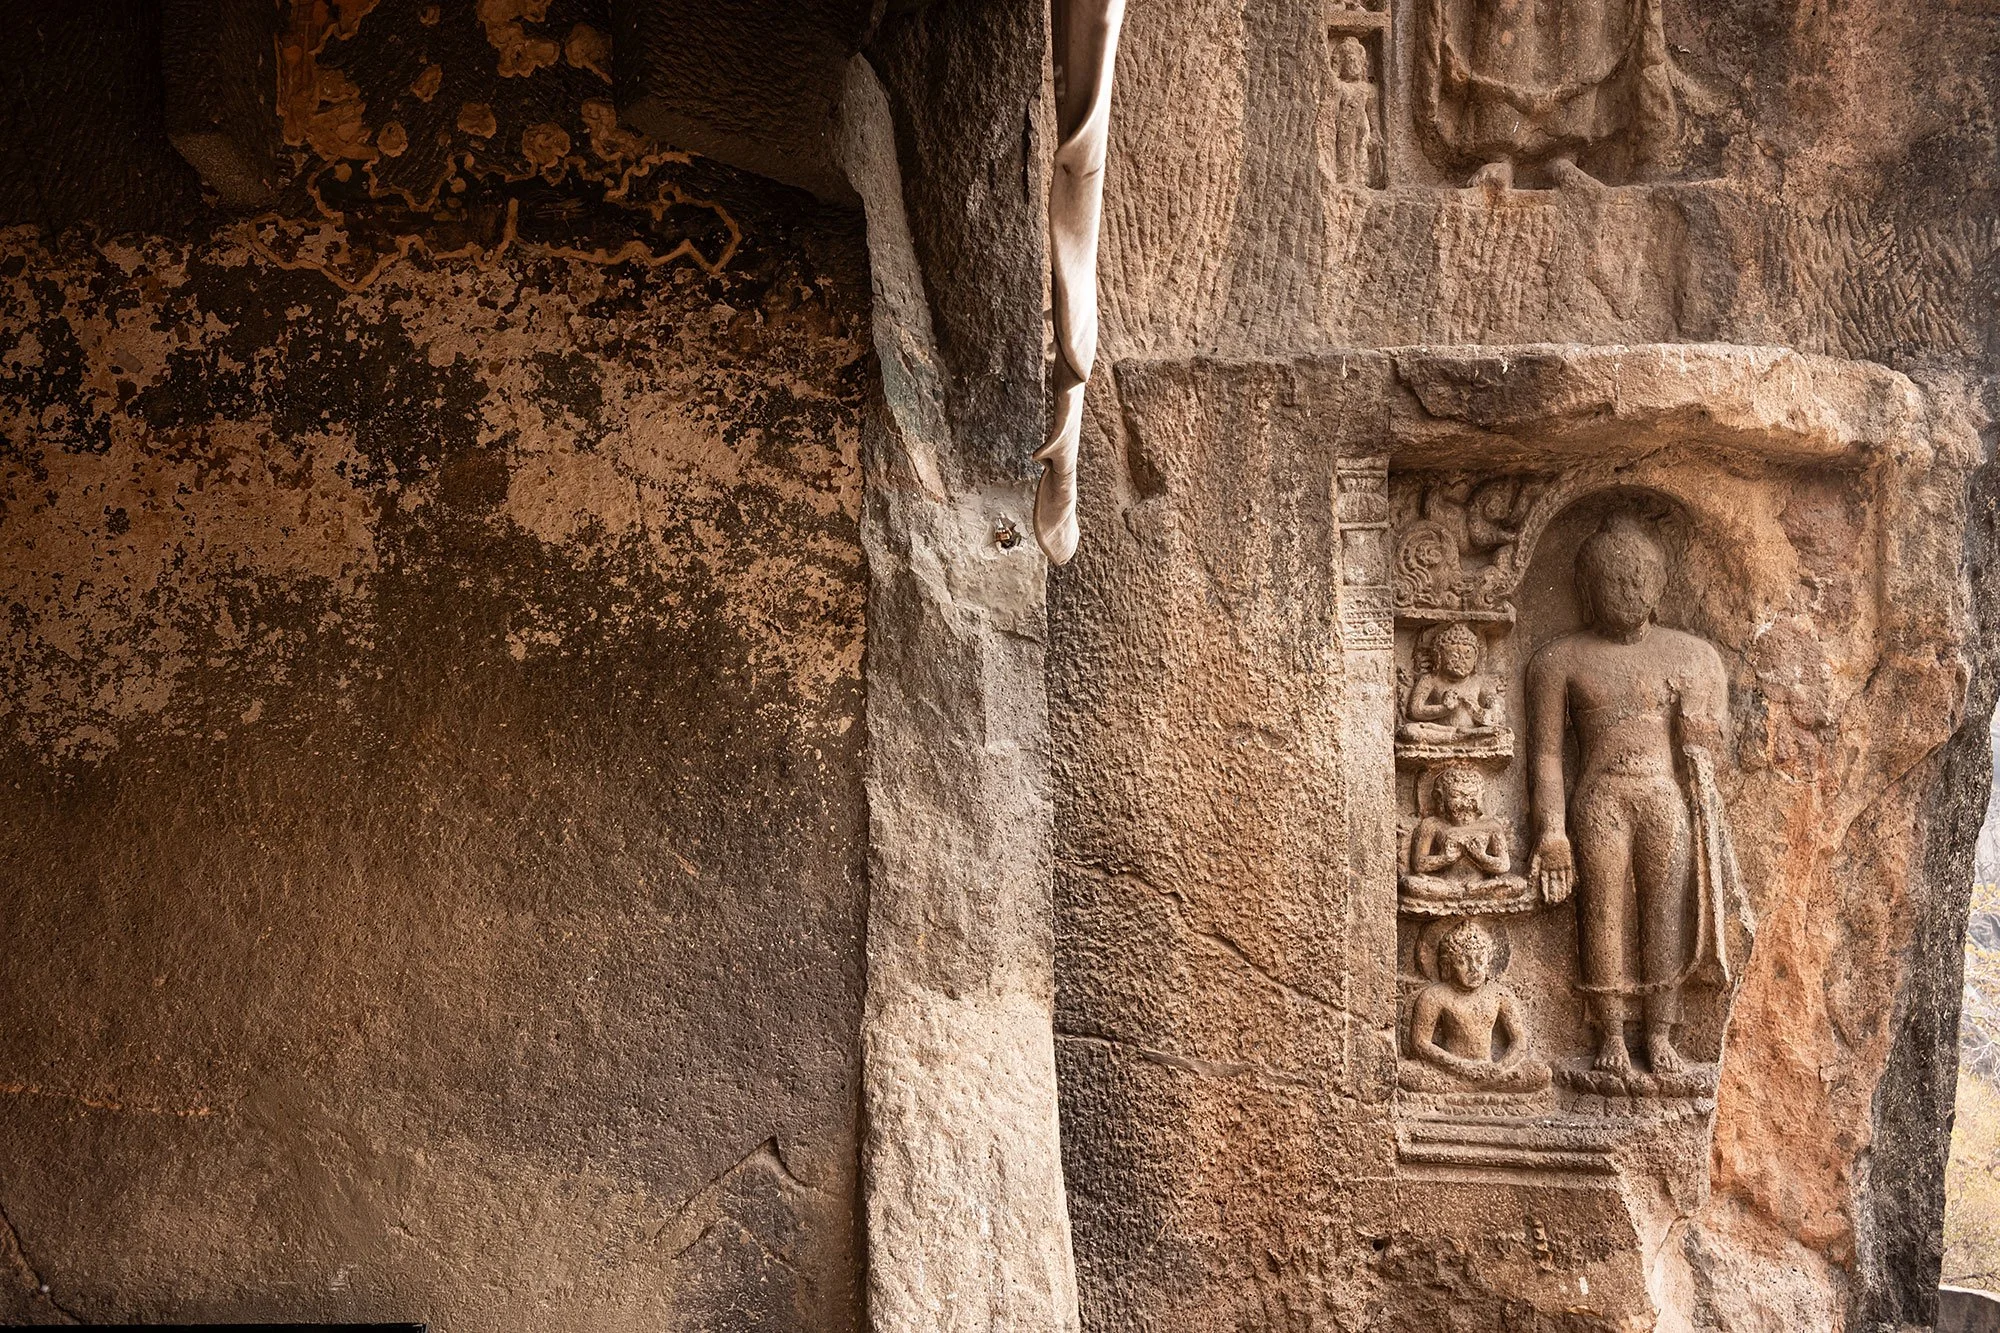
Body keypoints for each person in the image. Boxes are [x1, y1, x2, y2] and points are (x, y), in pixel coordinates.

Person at [1525, 513, 1728, 1077]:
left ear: (1659, 587)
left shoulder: (1692, 657)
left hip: (1664, 798)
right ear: (1587, 589)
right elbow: (1545, 755)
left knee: (1664, 913)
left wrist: (1698, 730)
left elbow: (1707, 751)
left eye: (1638, 581)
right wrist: (1552, 833)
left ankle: (1661, 1032)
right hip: (1601, 800)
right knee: (1603, 912)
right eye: (1613, 582)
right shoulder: (1559, 660)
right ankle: (1610, 1033)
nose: (1627, 593)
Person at [1404, 919, 1550, 1091]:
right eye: (1463, 961)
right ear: (1447, 965)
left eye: (1480, 961)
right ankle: (1478, 1090)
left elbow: (1519, 1041)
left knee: (1541, 1074)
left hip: (1491, 1071)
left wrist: (1500, 1067)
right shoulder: (1434, 996)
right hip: (1451, 1071)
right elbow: (1420, 1043)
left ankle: (1471, 1090)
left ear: (1489, 964)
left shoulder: (1499, 995)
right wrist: (1461, 1067)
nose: (1474, 968)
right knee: (1407, 1074)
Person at [1401, 764, 1528, 906]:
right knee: (1411, 884)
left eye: (1472, 796)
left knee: (1517, 885)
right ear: (1440, 797)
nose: (1465, 803)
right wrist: (1445, 858)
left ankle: (1468, 892)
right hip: (1444, 884)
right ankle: (1462, 893)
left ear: (1481, 796)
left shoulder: (1491, 827)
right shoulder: (1431, 825)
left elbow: (1503, 865)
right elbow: (1418, 864)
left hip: (1480, 884)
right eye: (1456, 796)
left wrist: (1480, 856)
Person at [1398, 622, 1505, 745]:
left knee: (1500, 734)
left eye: (1468, 656)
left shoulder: (1479, 682)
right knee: (1409, 731)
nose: (1461, 661)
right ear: (1438, 657)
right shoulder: (1430, 679)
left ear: (1476, 659)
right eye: (1454, 656)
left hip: (1472, 730)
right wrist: (1443, 709)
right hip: (1440, 731)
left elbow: (1497, 715)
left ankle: (1463, 736)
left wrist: (1475, 709)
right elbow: (1415, 710)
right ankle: (1458, 738)